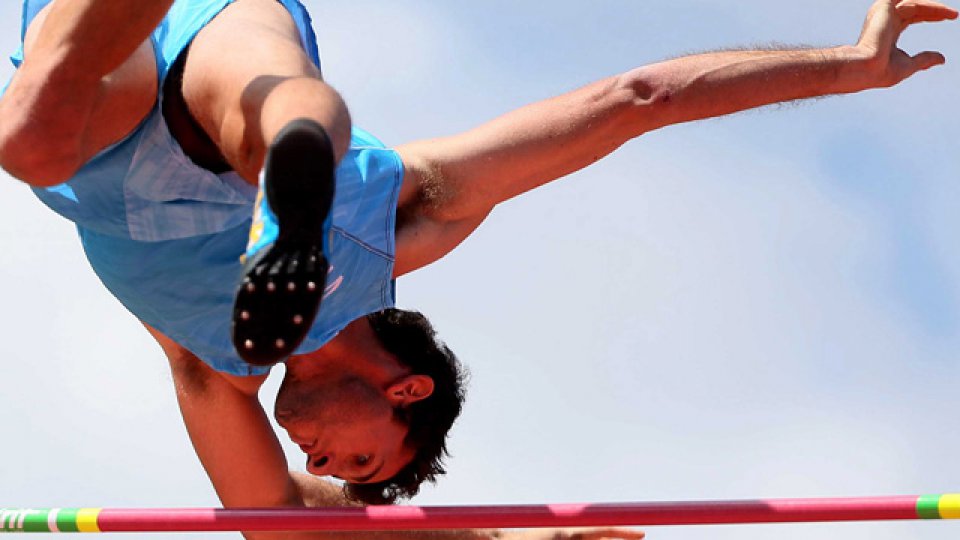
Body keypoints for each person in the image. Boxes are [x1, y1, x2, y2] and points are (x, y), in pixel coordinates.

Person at [0, 0, 954, 535]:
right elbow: (636, 98)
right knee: (277, 122)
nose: (321, 465)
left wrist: (504, 537)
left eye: (337, 471)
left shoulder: (219, 376)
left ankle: (275, 159)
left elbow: (284, 520)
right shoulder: (410, 232)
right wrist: (848, 65)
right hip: (228, 64)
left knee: (38, 138)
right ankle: (293, 176)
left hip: (103, 105)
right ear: (406, 387)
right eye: (363, 459)